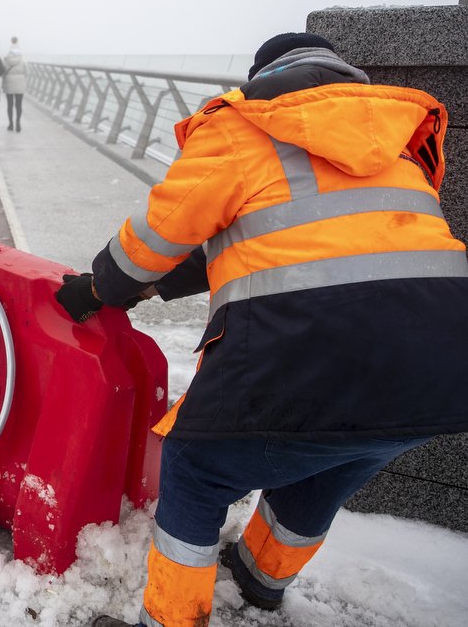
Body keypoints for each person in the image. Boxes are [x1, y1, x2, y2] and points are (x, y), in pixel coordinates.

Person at [54, 32, 468, 627]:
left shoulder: (243, 128)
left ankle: (171, 619)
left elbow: (153, 239)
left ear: (265, 79)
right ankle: (258, 580)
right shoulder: (395, 141)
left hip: (310, 353)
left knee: (196, 468)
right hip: (442, 374)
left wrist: (101, 288)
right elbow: (285, 235)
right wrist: (160, 286)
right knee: (329, 461)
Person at [2, 36, 27, 132]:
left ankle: (10, 124)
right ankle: (18, 123)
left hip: (9, 83)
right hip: (20, 84)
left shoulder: (6, 59)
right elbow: (26, 72)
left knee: (10, 105)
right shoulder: (23, 60)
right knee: (18, 105)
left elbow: (2, 71)